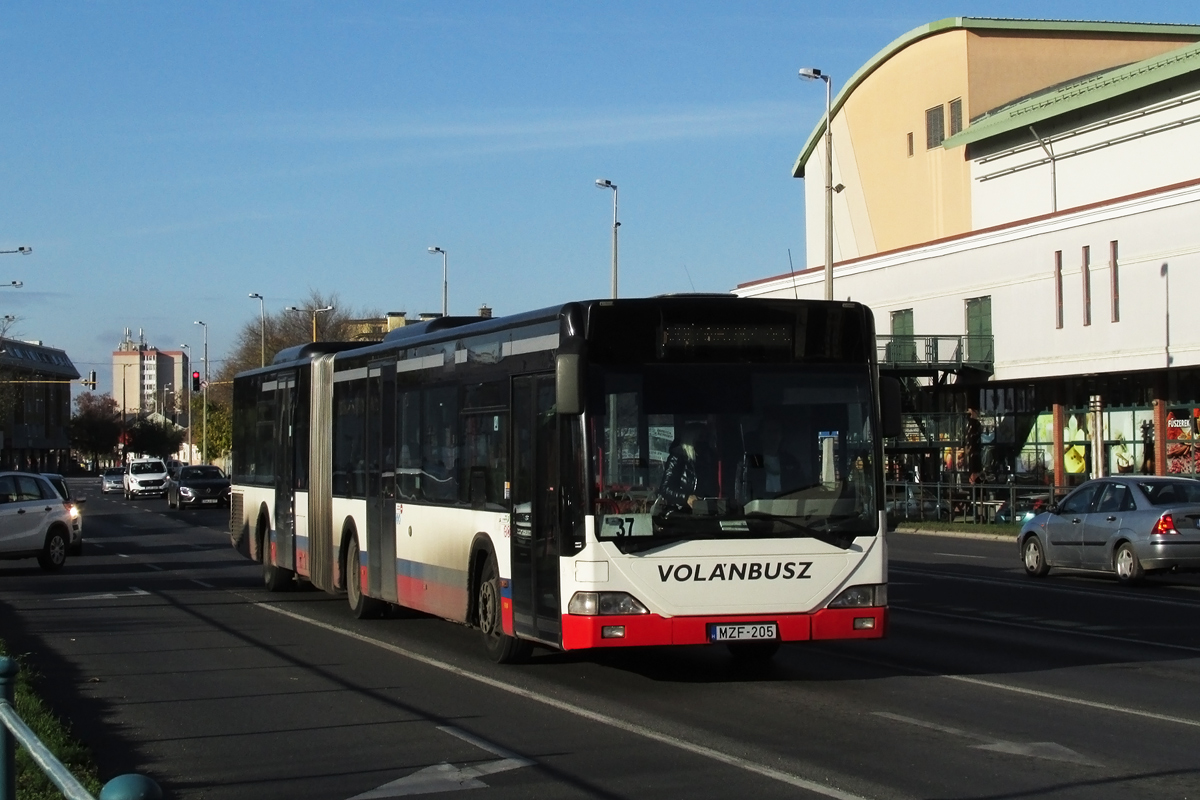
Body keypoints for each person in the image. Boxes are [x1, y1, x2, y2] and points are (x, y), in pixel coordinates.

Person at [655, 425, 701, 514]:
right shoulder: (677, 457)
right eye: (700, 439)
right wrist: (686, 497)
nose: (703, 443)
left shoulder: (705, 459)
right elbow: (665, 488)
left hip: (701, 510)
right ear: (692, 441)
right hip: (681, 513)